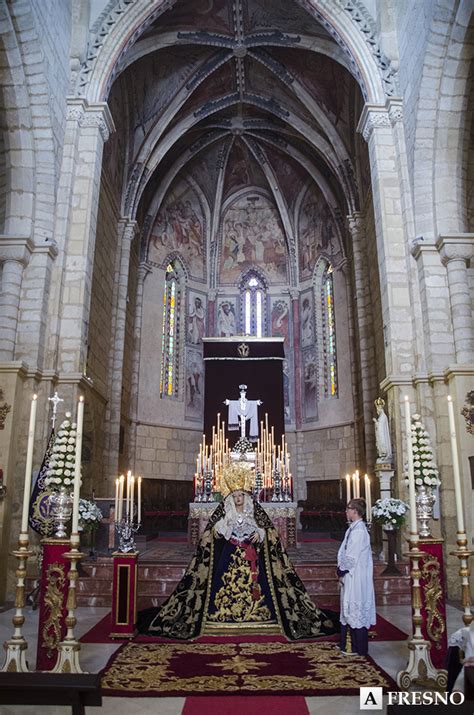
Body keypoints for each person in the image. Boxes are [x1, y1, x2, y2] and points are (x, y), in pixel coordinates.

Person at [137, 464, 339, 640]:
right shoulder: (226, 512)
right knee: (222, 583)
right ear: (230, 497)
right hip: (230, 553)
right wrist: (221, 528)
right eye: (235, 496)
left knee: (257, 585)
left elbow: (270, 532)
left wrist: (260, 533)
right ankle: (222, 612)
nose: (238, 498)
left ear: (246, 495)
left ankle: (259, 612)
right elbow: (211, 533)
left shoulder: (255, 511)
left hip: (251, 556)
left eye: (241, 495)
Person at [336, 497, 376, 656]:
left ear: (355, 511)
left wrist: (341, 571)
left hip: (355, 576)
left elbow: (351, 557)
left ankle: (357, 648)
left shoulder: (359, 531)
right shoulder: (353, 528)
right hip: (350, 574)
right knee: (348, 607)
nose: (346, 512)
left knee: (354, 606)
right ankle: (347, 644)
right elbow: (344, 551)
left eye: (348, 509)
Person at [373, 397, 392, 462]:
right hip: (380, 436)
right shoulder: (381, 417)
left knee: (382, 443)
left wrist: (376, 422)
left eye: (377, 409)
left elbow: (381, 428)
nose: (377, 411)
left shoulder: (383, 417)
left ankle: (384, 454)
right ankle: (382, 454)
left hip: (383, 437)